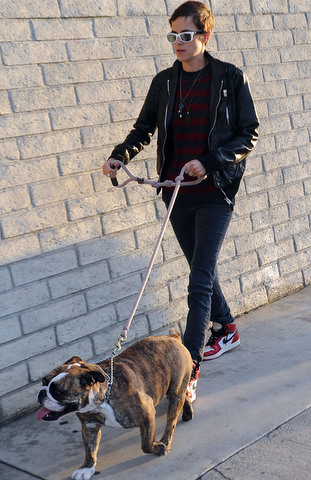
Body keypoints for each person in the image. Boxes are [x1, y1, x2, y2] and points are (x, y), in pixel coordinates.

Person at [102, 1, 259, 402]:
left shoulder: (229, 78)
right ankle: (227, 328)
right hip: (174, 192)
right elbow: (144, 127)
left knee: (199, 280)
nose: (178, 43)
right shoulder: (164, 82)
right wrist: (122, 154)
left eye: (186, 35)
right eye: (173, 35)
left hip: (215, 191)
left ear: (205, 36)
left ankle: (189, 372)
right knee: (199, 269)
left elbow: (247, 134)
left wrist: (208, 163)